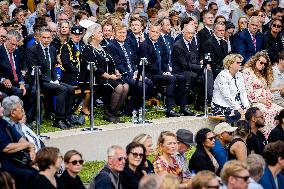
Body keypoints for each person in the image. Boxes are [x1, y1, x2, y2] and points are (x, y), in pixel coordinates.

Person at [26, 27, 76, 129]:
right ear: (39, 38)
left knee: (70, 89)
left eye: (48, 37)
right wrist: (51, 82)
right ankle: (58, 119)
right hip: (38, 81)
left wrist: (55, 80)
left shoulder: (52, 50)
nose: (46, 40)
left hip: (50, 80)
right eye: (44, 37)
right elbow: (34, 69)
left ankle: (67, 117)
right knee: (62, 89)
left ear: (51, 38)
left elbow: (53, 68)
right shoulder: (32, 49)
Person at [138, 22, 191, 117]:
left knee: (181, 78)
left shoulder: (161, 43)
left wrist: (167, 71)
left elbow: (165, 61)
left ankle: (183, 107)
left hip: (161, 72)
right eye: (152, 31)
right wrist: (163, 73)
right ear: (148, 32)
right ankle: (169, 109)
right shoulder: (144, 45)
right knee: (172, 79)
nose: (154, 34)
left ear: (159, 33)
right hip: (151, 74)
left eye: (157, 32)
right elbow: (148, 65)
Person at [81, 23, 129, 123]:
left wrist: (115, 71)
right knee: (119, 87)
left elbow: (111, 62)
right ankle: (109, 113)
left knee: (126, 86)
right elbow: (95, 68)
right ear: (92, 35)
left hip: (109, 77)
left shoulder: (103, 48)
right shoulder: (88, 49)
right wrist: (109, 76)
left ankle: (113, 112)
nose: (102, 34)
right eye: (99, 32)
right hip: (96, 79)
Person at [107, 23, 155, 112]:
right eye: (119, 32)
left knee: (150, 83)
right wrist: (132, 75)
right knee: (141, 86)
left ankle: (137, 105)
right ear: (114, 33)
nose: (122, 35)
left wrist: (137, 72)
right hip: (122, 75)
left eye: (124, 32)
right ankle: (132, 109)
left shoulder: (127, 44)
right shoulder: (111, 46)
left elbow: (133, 60)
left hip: (132, 73)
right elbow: (118, 65)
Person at [243, 51, 282, 138]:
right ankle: (266, 137)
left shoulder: (262, 74)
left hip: (266, 101)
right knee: (268, 112)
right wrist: (262, 100)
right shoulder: (248, 71)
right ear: (255, 60)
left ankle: (277, 136)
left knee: (280, 111)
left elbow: (266, 89)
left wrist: (267, 100)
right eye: (261, 62)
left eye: (265, 64)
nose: (263, 65)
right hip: (255, 101)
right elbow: (249, 91)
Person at [0, 100, 37, 189]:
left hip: (15, 160)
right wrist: (27, 145)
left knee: (39, 175)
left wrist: (31, 150)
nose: (2, 109)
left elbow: (22, 140)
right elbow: (6, 147)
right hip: (3, 164)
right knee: (28, 175)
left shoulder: (4, 123)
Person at [211, 54, 249, 121]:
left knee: (251, 112)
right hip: (221, 106)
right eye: (238, 63)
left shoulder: (239, 75)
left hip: (235, 105)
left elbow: (243, 93)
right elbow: (227, 96)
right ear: (230, 64)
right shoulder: (222, 76)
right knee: (239, 114)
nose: (240, 64)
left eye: (241, 62)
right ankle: (237, 130)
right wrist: (239, 108)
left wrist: (246, 107)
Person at [0, 30, 26, 98]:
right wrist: (2, 79)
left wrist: (21, 83)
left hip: (17, 83)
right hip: (5, 85)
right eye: (12, 44)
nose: (14, 47)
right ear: (6, 40)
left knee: (33, 90)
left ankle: (26, 109)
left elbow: (18, 71)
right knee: (19, 92)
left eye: (16, 45)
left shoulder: (17, 52)